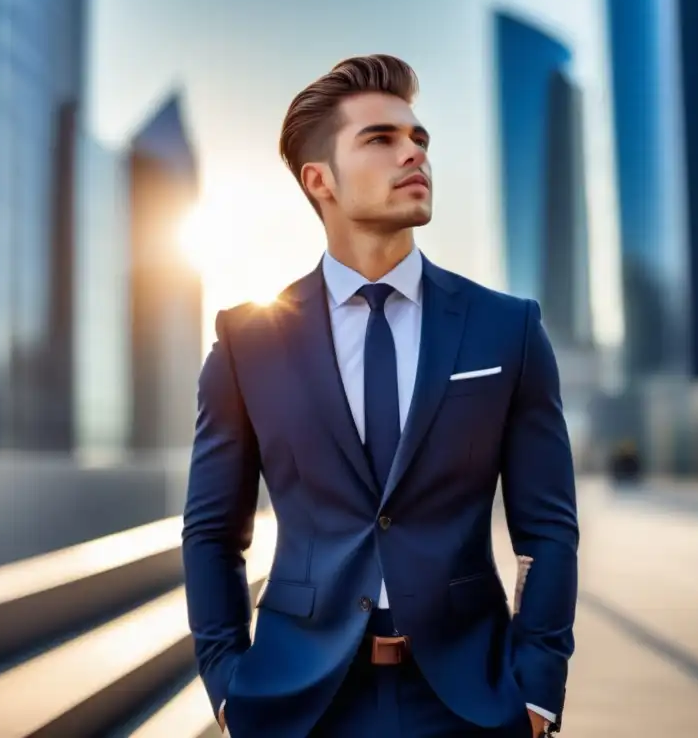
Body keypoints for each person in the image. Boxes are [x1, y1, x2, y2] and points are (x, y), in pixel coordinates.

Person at [182, 54, 579, 737]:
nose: (413, 154)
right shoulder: (248, 342)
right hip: (297, 702)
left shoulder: (507, 329)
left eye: (418, 138)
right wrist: (228, 685)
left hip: (468, 701)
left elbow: (548, 527)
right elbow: (213, 533)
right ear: (320, 180)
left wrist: (537, 686)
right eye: (381, 139)